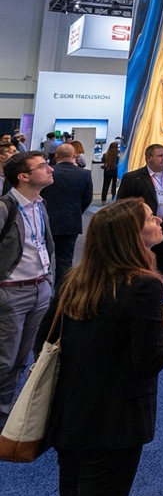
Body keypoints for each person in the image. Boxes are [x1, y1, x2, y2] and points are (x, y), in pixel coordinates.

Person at [41, 198, 163, 496]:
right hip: (116, 422)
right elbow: (149, 361)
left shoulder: (74, 280)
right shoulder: (144, 286)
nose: (159, 220)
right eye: (149, 218)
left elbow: (44, 343)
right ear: (131, 234)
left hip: (70, 413)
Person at [0, 152, 55, 424]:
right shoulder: (5, 207)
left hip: (39, 290)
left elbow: (43, 245)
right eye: (43, 166)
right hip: (10, 292)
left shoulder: (40, 204)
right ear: (23, 177)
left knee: (23, 359)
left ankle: (7, 416)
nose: (50, 169)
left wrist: (47, 281)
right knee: (4, 361)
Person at [117, 144, 163, 276]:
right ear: (148, 158)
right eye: (159, 156)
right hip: (144, 228)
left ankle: (160, 287)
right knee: (143, 261)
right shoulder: (133, 178)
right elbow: (122, 205)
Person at [45, 143, 95, 290]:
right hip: (71, 222)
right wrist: (77, 212)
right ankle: (62, 294)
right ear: (74, 156)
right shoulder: (84, 174)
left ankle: (43, 293)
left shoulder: (48, 173)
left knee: (43, 260)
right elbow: (88, 198)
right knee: (65, 261)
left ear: (56, 156)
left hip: (46, 222)